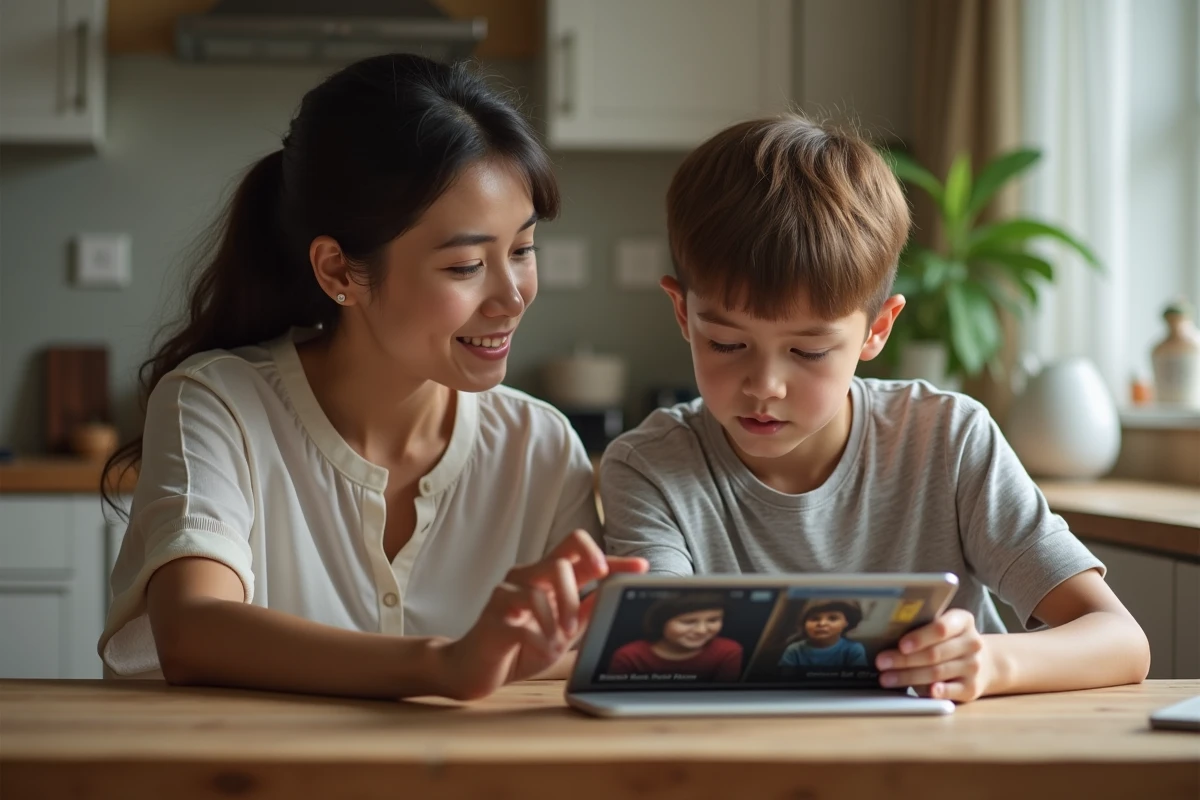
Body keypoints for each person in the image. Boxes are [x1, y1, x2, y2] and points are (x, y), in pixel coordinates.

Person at [98, 53, 645, 701]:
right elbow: (193, 630)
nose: (513, 297)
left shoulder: (540, 444)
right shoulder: (217, 403)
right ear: (338, 272)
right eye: (466, 265)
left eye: (522, 251)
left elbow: (600, 648)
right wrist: (445, 664)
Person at [600, 114, 1150, 702]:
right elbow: (660, 663)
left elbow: (1120, 640)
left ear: (876, 329)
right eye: (727, 344)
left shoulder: (947, 439)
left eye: (808, 351)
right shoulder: (647, 468)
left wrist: (990, 663)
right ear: (683, 314)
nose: (764, 385)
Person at [608, 593, 743, 682]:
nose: (701, 630)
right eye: (688, 622)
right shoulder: (629, 655)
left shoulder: (728, 650)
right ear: (661, 622)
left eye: (713, 620)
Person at [778, 600, 868, 671]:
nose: (822, 624)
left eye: (832, 618)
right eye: (815, 618)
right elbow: (785, 677)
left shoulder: (853, 649)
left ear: (846, 623)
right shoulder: (794, 650)